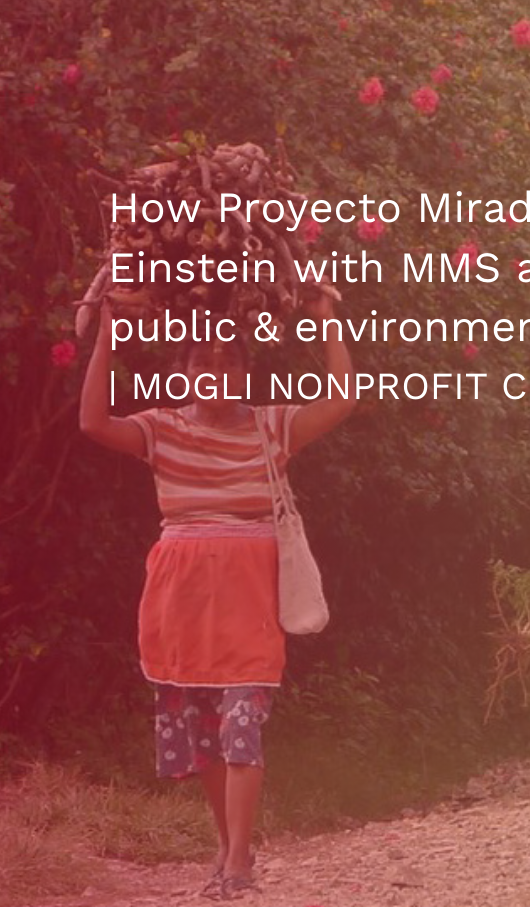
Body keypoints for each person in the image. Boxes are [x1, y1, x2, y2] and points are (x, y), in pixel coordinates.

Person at [79, 292, 356, 898]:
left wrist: (327, 321)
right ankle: (232, 848)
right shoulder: (161, 428)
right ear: (182, 373)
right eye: (202, 364)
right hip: (180, 600)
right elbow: (93, 423)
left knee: (242, 726)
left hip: (249, 602)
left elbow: (341, 399)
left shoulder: (270, 425)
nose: (216, 377)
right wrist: (105, 339)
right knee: (205, 734)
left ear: (244, 373)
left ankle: (236, 865)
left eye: (228, 365)